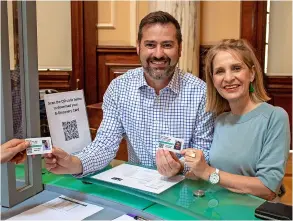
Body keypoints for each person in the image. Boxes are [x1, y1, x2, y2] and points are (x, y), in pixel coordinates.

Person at [44, 11, 215, 178]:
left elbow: (204, 152)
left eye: (167, 45)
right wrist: (75, 163)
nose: (158, 54)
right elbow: (104, 145)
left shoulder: (201, 93)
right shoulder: (119, 88)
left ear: (180, 49)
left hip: (185, 188)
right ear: (138, 47)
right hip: (138, 186)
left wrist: (180, 166)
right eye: (150, 45)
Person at [181, 39, 290, 200]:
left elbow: (268, 187)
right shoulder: (220, 120)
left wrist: (207, 172)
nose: (228, 78)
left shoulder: (275, 117)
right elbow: (214, 173)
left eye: (236, 68)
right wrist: (182, 167)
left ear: (251, 74)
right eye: (219, 71)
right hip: (215, 208)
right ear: (213, 81)